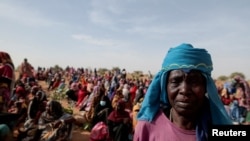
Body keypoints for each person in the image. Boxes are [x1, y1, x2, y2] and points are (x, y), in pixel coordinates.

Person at [133, 43, 232, 141]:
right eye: (175, 81)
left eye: (194, 81)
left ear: (206, 87)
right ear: (165, 86)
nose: (184, 90)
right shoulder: (147, 128)